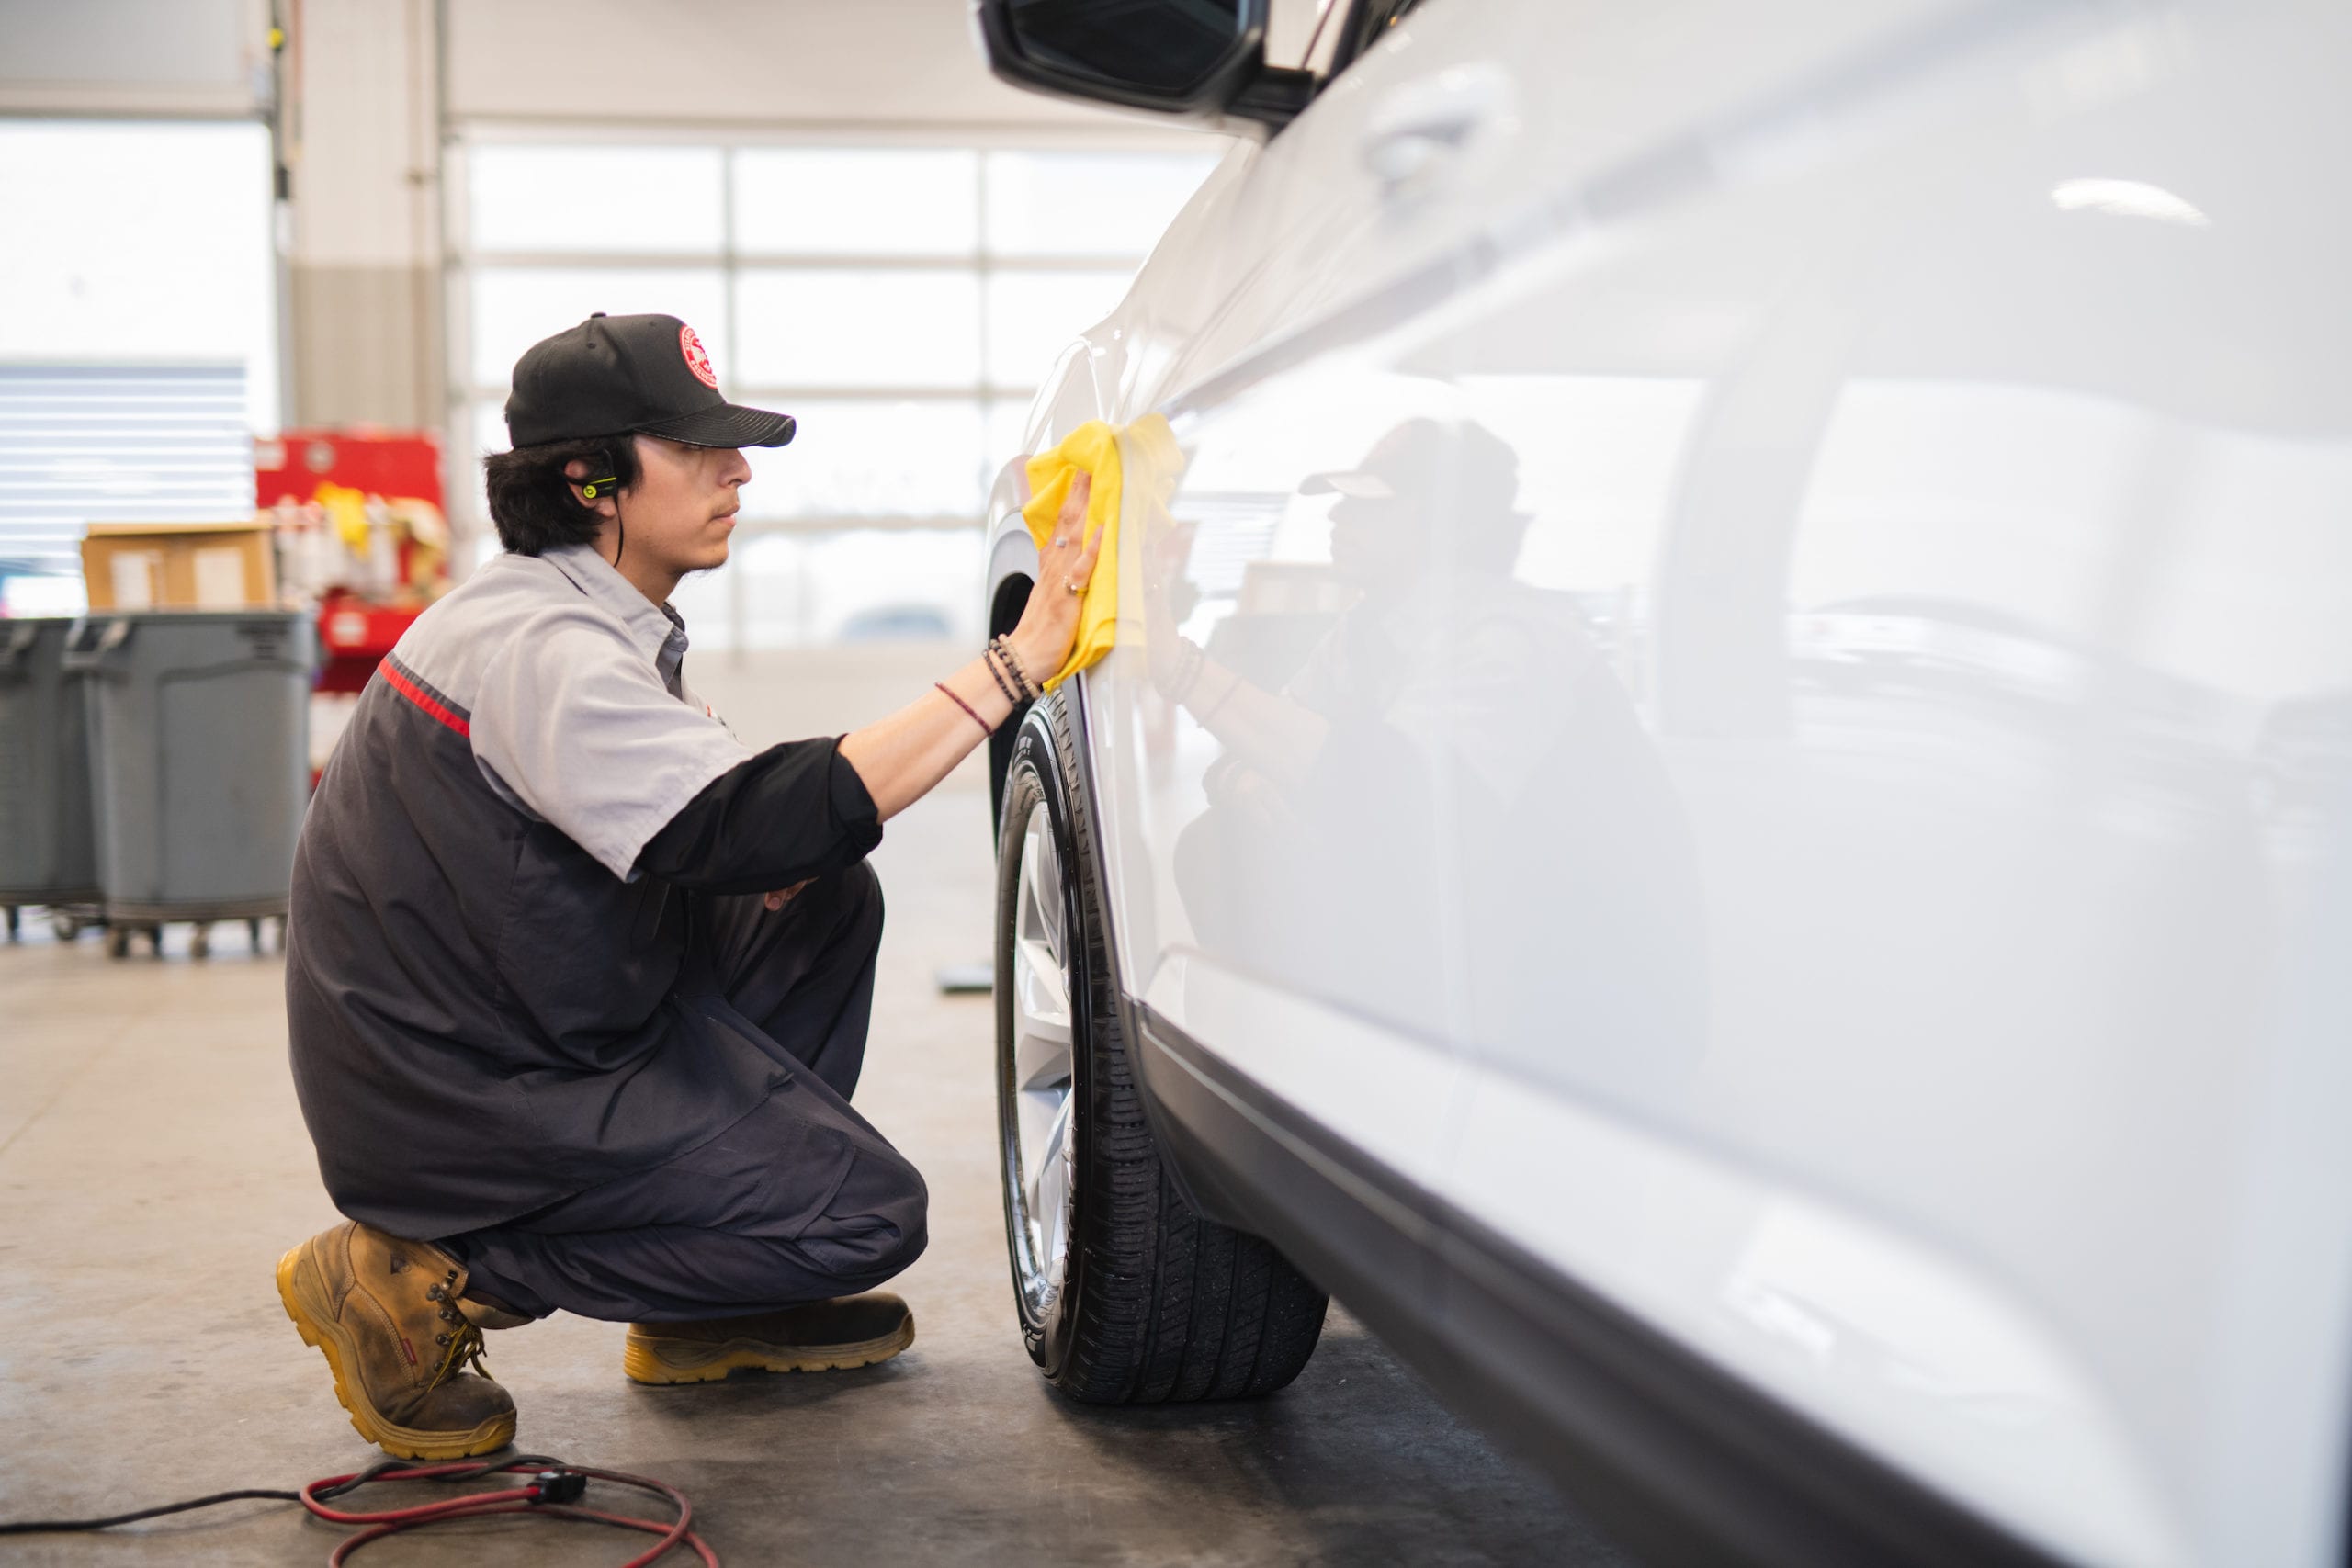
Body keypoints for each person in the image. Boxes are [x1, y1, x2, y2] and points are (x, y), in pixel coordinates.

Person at [275, 311, 1101, 1460]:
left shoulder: (569, 616)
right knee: (865, 1215)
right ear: (591, 479)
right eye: (698, 448)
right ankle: (421, 1268)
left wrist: (763, 848)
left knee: (822, 893)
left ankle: (702, 1305)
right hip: (465, 1099)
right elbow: (752, 815)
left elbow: (737, 829)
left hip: (519, 1025)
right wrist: (1016, 665)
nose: (738, 472)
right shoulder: (542, 650)